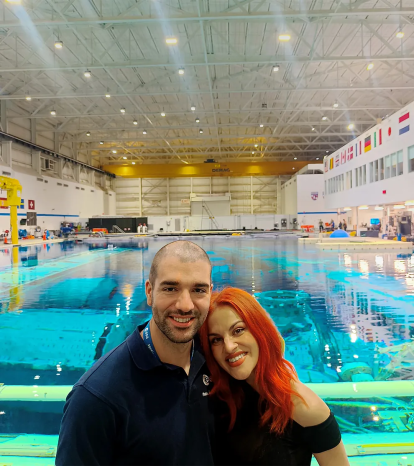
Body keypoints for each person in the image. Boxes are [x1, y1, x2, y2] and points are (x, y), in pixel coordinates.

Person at [56, 240, 215, 465]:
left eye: (198, 290)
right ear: (149, 292)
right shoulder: (97, 397)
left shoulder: (217, 359)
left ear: (211, 292)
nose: (185, 305)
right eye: (170, 288)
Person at [200, 288, 349, 466]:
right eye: (216, 340)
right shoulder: (218, 395)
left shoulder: (305, 407)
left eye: (238, 330)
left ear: (260, 331)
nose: (229, 346)